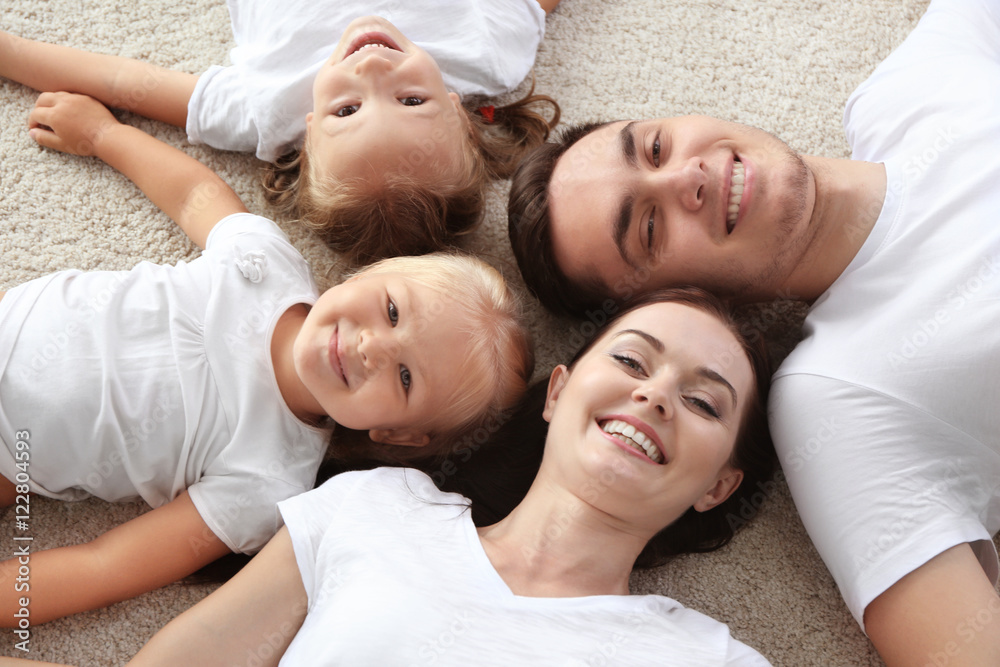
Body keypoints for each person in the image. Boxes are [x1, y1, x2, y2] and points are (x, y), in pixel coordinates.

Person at [506, 0, 1000, 664]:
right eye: (649, 227)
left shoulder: (905, 94)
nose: (687, 176)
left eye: (655, 147)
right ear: (680, 301)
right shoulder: (838, 395)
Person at [0, 92, 533, 625]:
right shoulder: (266, 263)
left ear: (396, 436)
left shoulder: (268, 481)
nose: (372, 346)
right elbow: (195, 195)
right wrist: (102, 135)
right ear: (369, 272)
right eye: (392, 310)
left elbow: (108, 565)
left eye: (405, 376)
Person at [66, 288, 775, 666]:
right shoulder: (375, 509)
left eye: (703, 400)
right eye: (631, 361)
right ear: (557, 394)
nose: (654, 396)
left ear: (718, 485)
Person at [0, 0, 561, 265]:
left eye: (346, 110)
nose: (372, 70)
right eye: (412, 100)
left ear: (309, 132)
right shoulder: (486, 54)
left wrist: (92, 125)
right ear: (462, 112)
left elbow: (125, 82)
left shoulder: (267, 111)